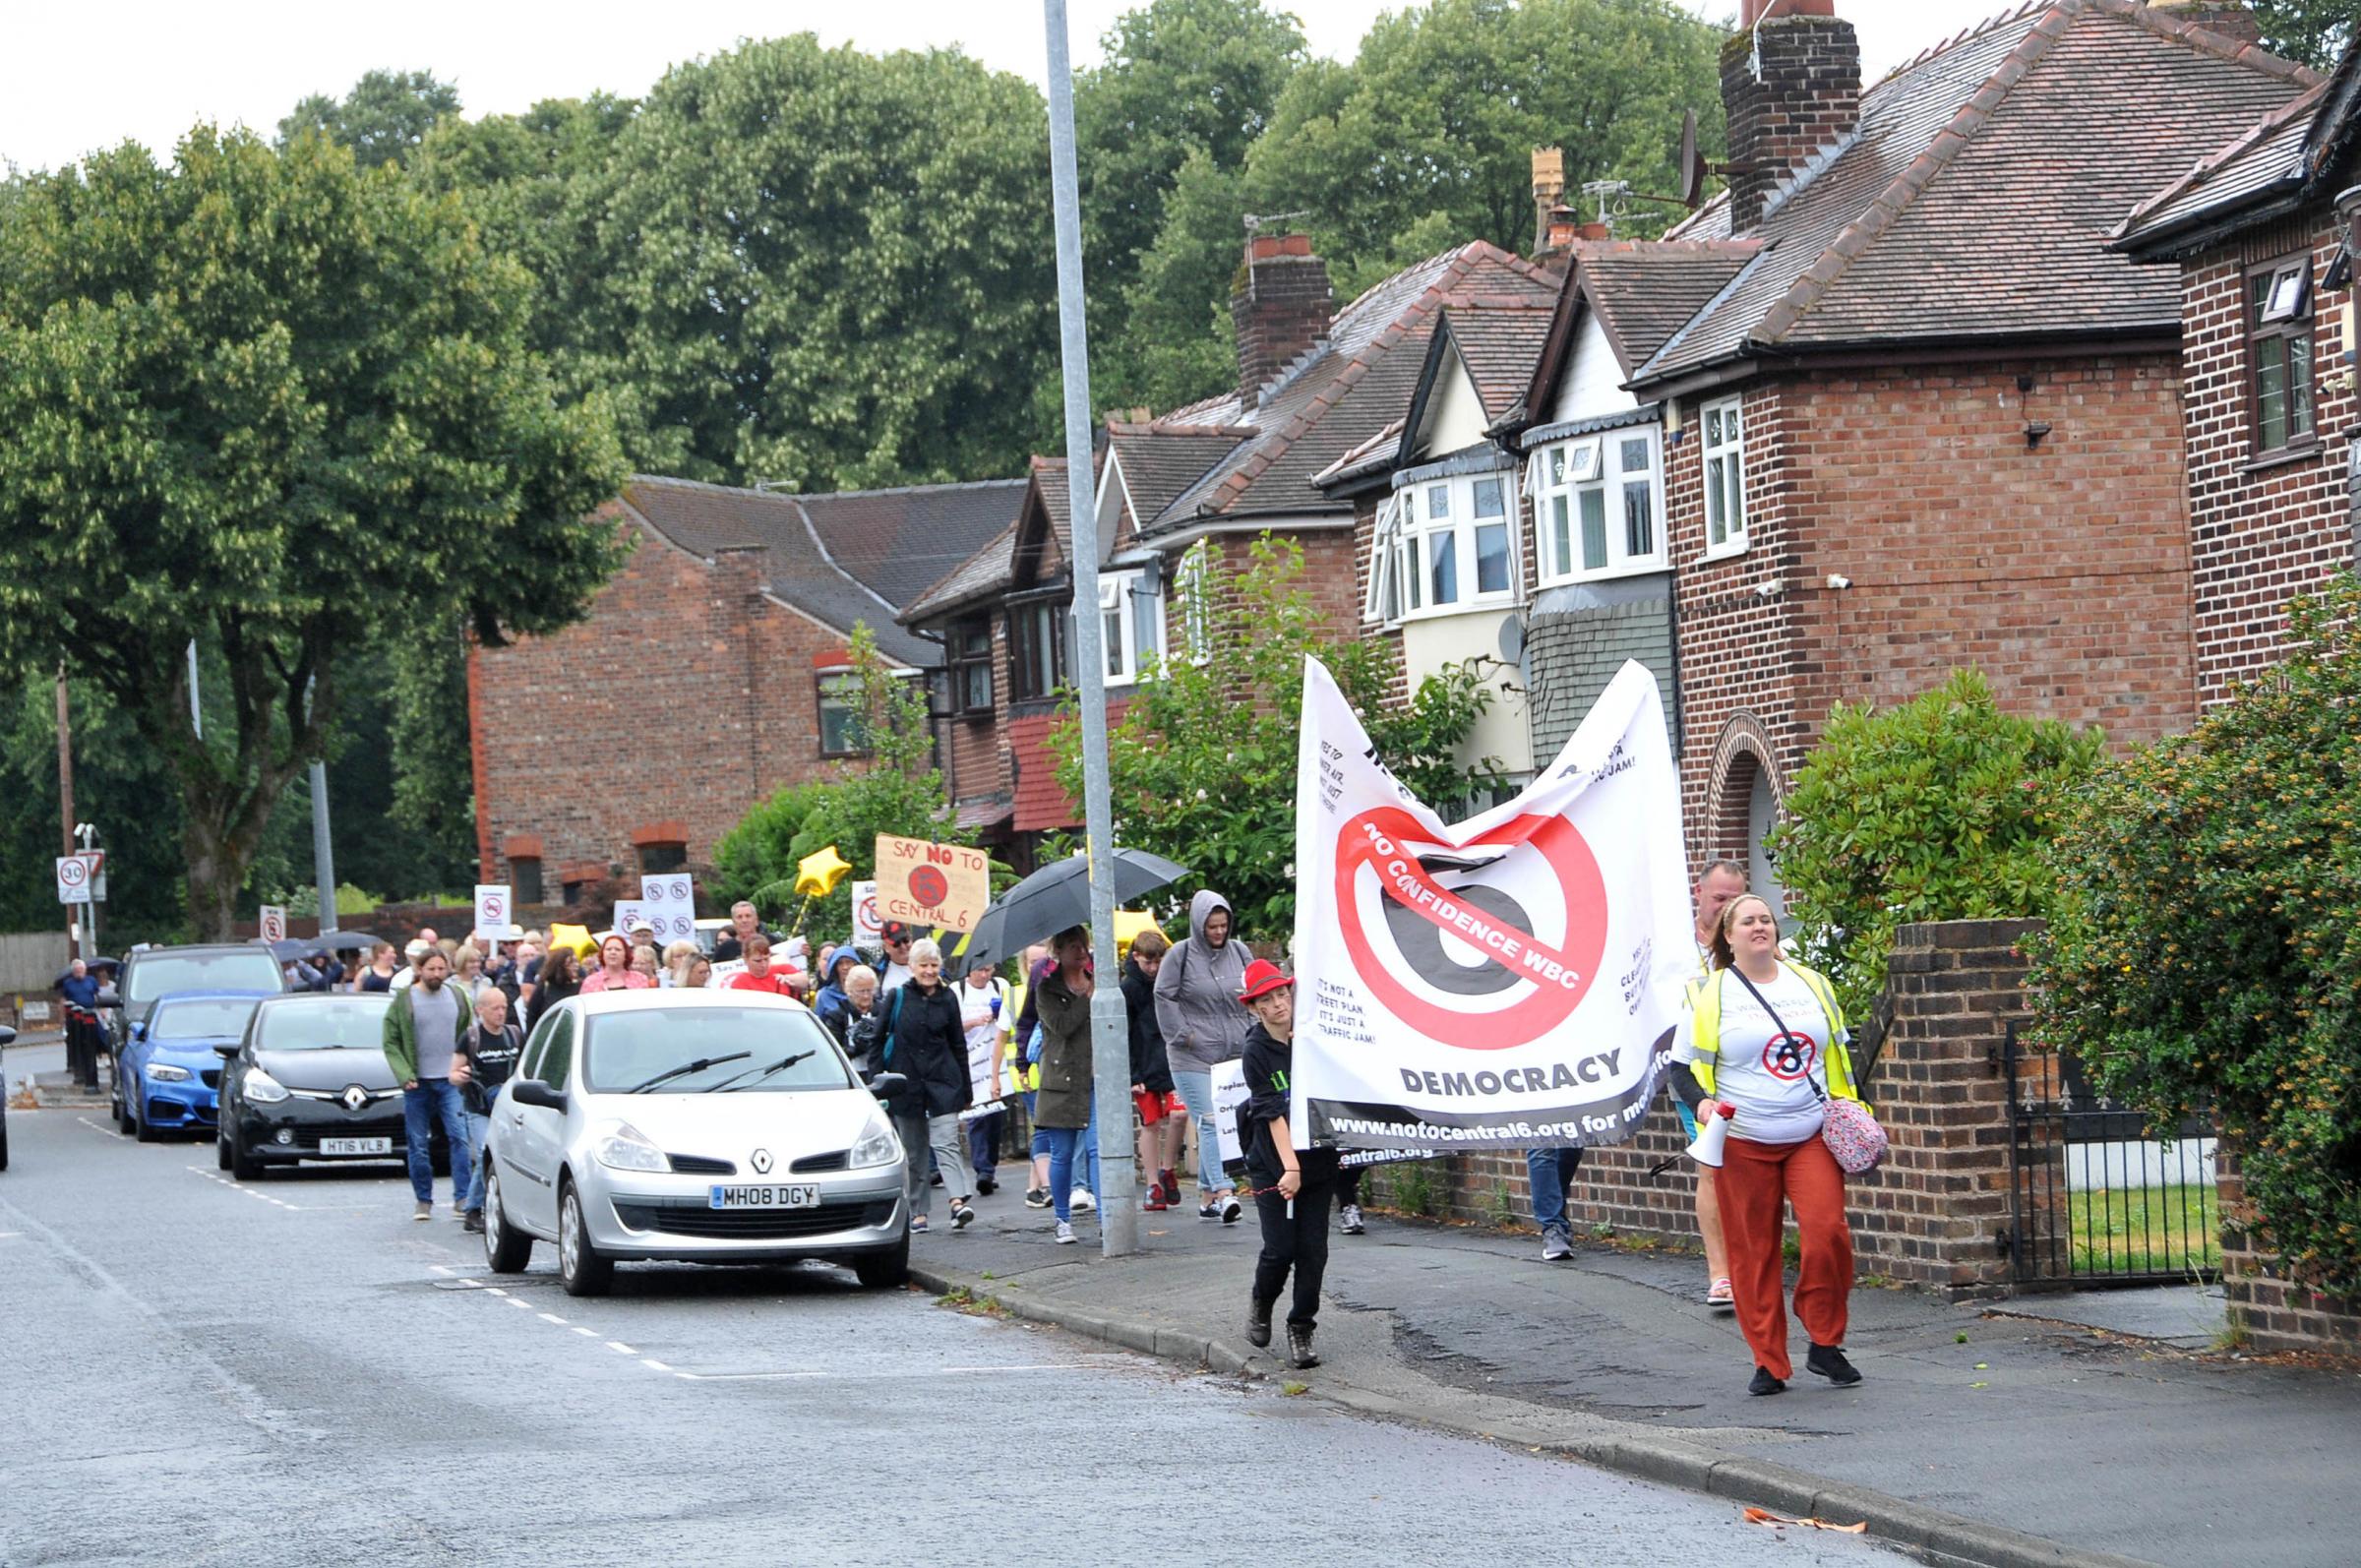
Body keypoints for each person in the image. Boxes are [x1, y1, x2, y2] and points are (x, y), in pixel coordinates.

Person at [1671, 893, 1865, 1397]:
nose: (1760, 926)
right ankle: (1768, 1361)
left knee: (1828, 1234)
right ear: (1728, 937)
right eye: (1747, 921)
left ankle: (1824, 1341)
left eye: (1766, 919)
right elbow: (1680, 1069)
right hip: (1743, 1140)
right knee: (1753, 1253)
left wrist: (1849, 1107)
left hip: (1810, 1134)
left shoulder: (1812, 984)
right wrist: (1702, 1103)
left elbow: (1840, 1053)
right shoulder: (1706, 994)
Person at [1238, 959, 1333, 1370]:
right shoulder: (1255, 1051)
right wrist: (1289, 1169)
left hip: (1319, 1157)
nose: (1279, 1004)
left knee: (1313, 1251)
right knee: (1281, 1249)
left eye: (1283, 994)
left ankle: (1301, 1328)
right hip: (1273, 1162)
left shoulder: (1310, 1038)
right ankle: (1262, 1301)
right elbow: (1272, 1113)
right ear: (1254, 1007)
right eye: (1268, 999)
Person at [1154, 890, 1250, 1224]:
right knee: (1210, 1120)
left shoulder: (1240, 952)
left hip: (1234, 1054)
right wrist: (1186, 1036)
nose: (1219, 932)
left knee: (1229, 1121)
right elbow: (1163, 997)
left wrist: (1252, 1028)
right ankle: (1224, 1191)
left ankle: (1207, 1197)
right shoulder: (1179, 955)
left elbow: (1255, 990)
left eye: (1223, 925)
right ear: (1199, 925)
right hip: (1191, 1057)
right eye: (1212, 926)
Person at [872, 938, 977, 1233]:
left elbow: (958, 1044)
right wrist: (879, 1084)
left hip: (943, 1080)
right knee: (915, 1150)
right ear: (912, 967)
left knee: (947, 1142)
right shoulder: (897, 997)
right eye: (924, 965)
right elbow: (877, 1041)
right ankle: (919, 1210)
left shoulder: (948, 998)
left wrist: (966, 1090)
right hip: (906, 1083)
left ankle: (958, 1201)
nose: (929, 971)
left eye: (934, 965)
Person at [1685, 860, 1747, 1305]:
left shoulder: (1750, 943)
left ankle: (1749, 1261)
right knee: (1712, 1168)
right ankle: (1720, 1273)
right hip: (1694, 1070)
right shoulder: (1677, 948)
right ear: (1699, 893)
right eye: (1719, 899)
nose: (1727, 908)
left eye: (1736, 899)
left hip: (1746, 1067)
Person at [382, 948, 472, 1223]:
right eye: (431, 969)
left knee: (459, 1137)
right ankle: (423, 1200)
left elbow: (469, 1034)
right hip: (416, 1083)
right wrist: (404, 1073)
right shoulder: (404, 1000)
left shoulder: (457, 996)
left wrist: (465, 1066)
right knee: (418, 1143)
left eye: (441, 969)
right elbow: (390, 1041)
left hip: (450, 1082)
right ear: (419, 970)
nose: (436, 974)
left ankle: (463, 1197)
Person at [1031, 928, 1101, 1244]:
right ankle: (1062, 1219)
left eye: (1083, 945)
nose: (1081, 951)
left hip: (1096, 1078)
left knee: (1099, 1150)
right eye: (1073, 946)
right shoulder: (1047, 989)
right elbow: (1061, 1027)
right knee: (1061, 1153)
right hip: (1061, 1081)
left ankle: (1106, 1217)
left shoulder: (1100, 983)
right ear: (1058, 951)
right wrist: (1086, 997)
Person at [450, 987, 524, 1236]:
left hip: (508, 1107)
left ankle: (485, 1209)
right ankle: (484, 1208)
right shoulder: (471, 1037)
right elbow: (453, 1075)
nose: (501, 1013)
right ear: (480, 1010)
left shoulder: (514, 1035)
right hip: (479, 1108)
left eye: (504, 1007)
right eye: (495, 1008)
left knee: (505, 1156)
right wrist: (462, 1076)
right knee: (485, 1153)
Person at [1120, 930, 1184, 1211]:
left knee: (1181, 1115)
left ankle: (1167, 1168)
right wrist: (1132, 1075)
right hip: (1144, 1065)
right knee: (1151, 1124)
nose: (1154, 968)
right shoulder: (1129, 988)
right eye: (1148, 962)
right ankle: (1152, 1184)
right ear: (1136, 957)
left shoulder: (1170, 981)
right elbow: (1125, 1033)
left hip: (1171, 1062)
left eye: (1158, 961)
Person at [957, 957, 1011, 1194]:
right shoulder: (957, 991)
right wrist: (973, 1022)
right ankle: (983, 1171)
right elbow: (951, 1026)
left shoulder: (1001, 986)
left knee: (995, 1118)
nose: (985, 975)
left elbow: (1012, 1017)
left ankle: (990, 1164)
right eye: (980, 970)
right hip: (971, 1062)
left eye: (989, 969)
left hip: (996, 1060)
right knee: (977, 1116)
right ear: (969, 971)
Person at [1007, 943, 1055, 1209]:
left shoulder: (1054, 984)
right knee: (1042, 1129)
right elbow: (1003, 1039)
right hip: (1027, 1074)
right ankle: (1047, 1186)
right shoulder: (1013, 994)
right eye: (1032, 961)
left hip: (1049, 1070)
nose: (1037, 965)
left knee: (1045, 1128)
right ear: (1024, 965)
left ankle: (1033, 1188)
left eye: (1042, 959)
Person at [58, 958, 104, 1092]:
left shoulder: (91, 981)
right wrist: (62, 1019)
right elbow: (63, 1000)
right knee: (77, 1043)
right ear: (73, 972)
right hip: (75, 1018)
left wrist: (102, 1011)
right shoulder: (67, 983)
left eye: (81, 970)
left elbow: (97, 996)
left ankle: (96, 1060)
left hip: (91, 1015)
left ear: (85, 970)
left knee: (97, 1038)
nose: (79, 972)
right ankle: (80, 1071)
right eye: (77, 970)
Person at [727, 934, 797, 996]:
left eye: (766, 959)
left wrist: (788, 979)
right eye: (758, 961)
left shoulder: (781, 969)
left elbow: (804, 981)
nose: (764, 965)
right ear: (746, 959)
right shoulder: (739, 982)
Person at [814, 949, 863, 1035]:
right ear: (835, 967)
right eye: (840, 963)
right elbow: (818, 1027)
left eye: (848, 962)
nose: (845, 967)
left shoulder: (865, 991)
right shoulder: (825, 995)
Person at [709, 901, 775, 964]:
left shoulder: (771, 941)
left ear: (756, 920)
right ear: (734, 922)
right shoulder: (724, 949)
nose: (744, 920)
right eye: (739, 917)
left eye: (748, 916)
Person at [529, 943, 581, 1024]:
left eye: (576, 961)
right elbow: (532, 1015)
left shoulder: (580, 987)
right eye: (571, 963)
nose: (576, 966)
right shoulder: (545, 987)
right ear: (560, 965)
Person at [875, 922, 916, 992]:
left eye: (905, 940)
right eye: (896, 944)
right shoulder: (877, 972)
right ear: (885, 947)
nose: (903, 946)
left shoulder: (929, 964)